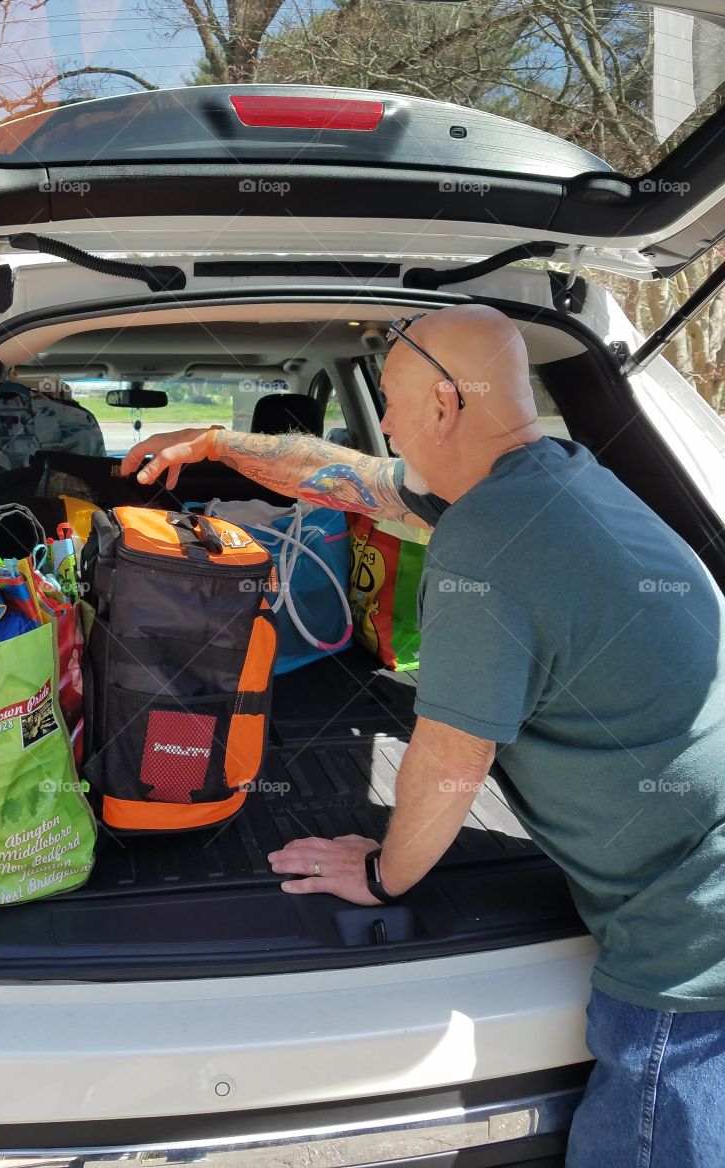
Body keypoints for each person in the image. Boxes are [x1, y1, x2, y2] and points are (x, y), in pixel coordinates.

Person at [119, 304, 725, 1168]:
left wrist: (381, 871)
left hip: (693, 941)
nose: (387, 421)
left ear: (445, 404)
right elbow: (347, 477)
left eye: (394, 402)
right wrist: (218, 445)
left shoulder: (491, 542)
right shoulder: (558, 477)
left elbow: (448, 763)